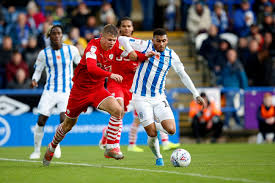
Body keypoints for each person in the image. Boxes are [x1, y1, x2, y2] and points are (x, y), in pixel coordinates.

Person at [42, 24, 153, 166]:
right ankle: (52, 145)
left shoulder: (116, 48)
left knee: (118, 110)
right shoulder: (92, 46)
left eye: (114, 40)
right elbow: (92, 68)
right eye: (108, 40)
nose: (111, 43)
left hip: (97, 89)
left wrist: (145, 56)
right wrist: (110, 74)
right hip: (80, 91)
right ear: (102, 36)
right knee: (68, 124)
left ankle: (111, 147)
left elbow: (131, 56)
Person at [118, 28, 206, 166]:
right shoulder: (145, 45)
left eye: (163, 41)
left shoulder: (172, 55)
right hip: (140, 98)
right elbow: (122, 39)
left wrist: (195, 93)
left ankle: (151, 123)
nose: (161, 44)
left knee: (171, 130)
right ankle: (158, 157)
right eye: (158, 41)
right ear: (153, 40)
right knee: (152, 134)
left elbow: (183, 75)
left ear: (167, 41)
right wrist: (131, 52)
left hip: (159, 98)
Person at [99, 17, 180, 153]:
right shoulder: (113, 43)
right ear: (119, 29)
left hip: (134, 87)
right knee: (118, 111)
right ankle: (114, 147)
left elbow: (144, 60)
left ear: (132, 28)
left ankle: (107, 134)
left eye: (129, 26)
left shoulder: (139, 44)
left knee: (138, 115)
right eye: (123, 26)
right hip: (116, 83)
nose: (126, 28)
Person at [29, 25, 81, 159]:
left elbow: (81, 66)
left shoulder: (72, 50)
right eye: (54, 34)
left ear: (62, 35)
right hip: (50, 91)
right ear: (49, 36)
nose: (57, 36)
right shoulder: (43, 53)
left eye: (59, 33)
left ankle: (55, 145)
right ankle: (36, 150)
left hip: (67, 91)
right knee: (41, 120)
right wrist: (35, 79)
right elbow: (38, 70)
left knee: (64, 120)